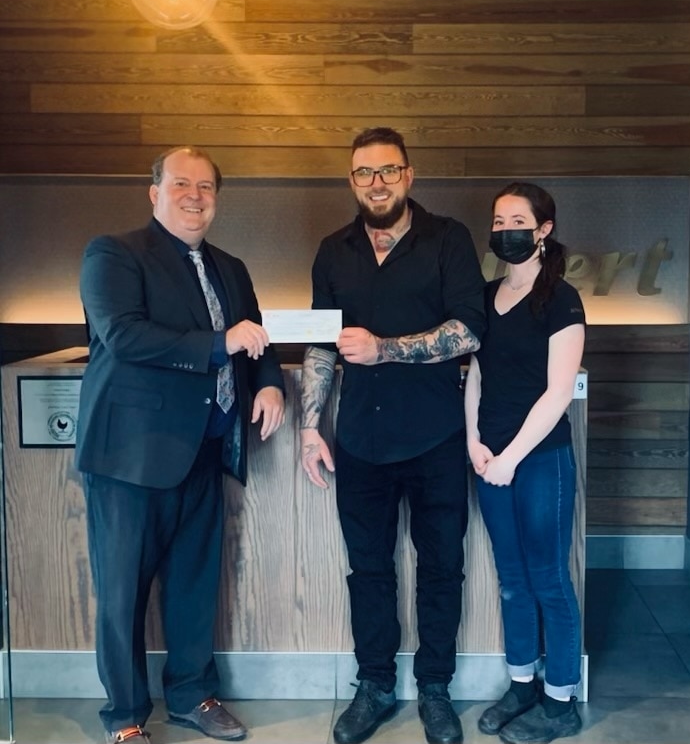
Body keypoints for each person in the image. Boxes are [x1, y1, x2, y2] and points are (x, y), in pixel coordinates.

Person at [76, 146, 286, 744]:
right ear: (155, 192)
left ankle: (193, 696)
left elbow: (257, 343)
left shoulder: (232, 266)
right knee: (122, 594)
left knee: (195, 587)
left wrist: (270, 387)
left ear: (217, 198)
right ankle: (125, 718)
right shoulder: (113, 253)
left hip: (206, 448)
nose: (194, 195)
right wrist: (222, 343)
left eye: (206, 187)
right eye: (181, 184)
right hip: (131, 458)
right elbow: (124, 336)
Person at [299, 127, 486, 744]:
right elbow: (323, 345)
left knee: (442, 567)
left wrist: (385, 350)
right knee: (368, 569)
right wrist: (309, 426)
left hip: (435, 437)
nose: (376, 183)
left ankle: (435, 689)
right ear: (352, 181)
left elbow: (468, 331)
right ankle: (375, 685)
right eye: (363, 173)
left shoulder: (448, 239)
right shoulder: (333, 251)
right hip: (358, 440)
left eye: (387, 171)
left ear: (408, 175)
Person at [464, 183, 586, 744]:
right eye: (497, 220)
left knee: (548, 581)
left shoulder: (561, 298)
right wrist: (475, 442)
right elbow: (478, 375)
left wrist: (511, 457)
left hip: (540, 464)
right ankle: (521, 684)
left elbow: (560, 390)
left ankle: (560, 701)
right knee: (511, 581)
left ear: (543, 230)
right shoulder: (485, 296)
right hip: (489, 461)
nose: (505, 229)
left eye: (517, 219)